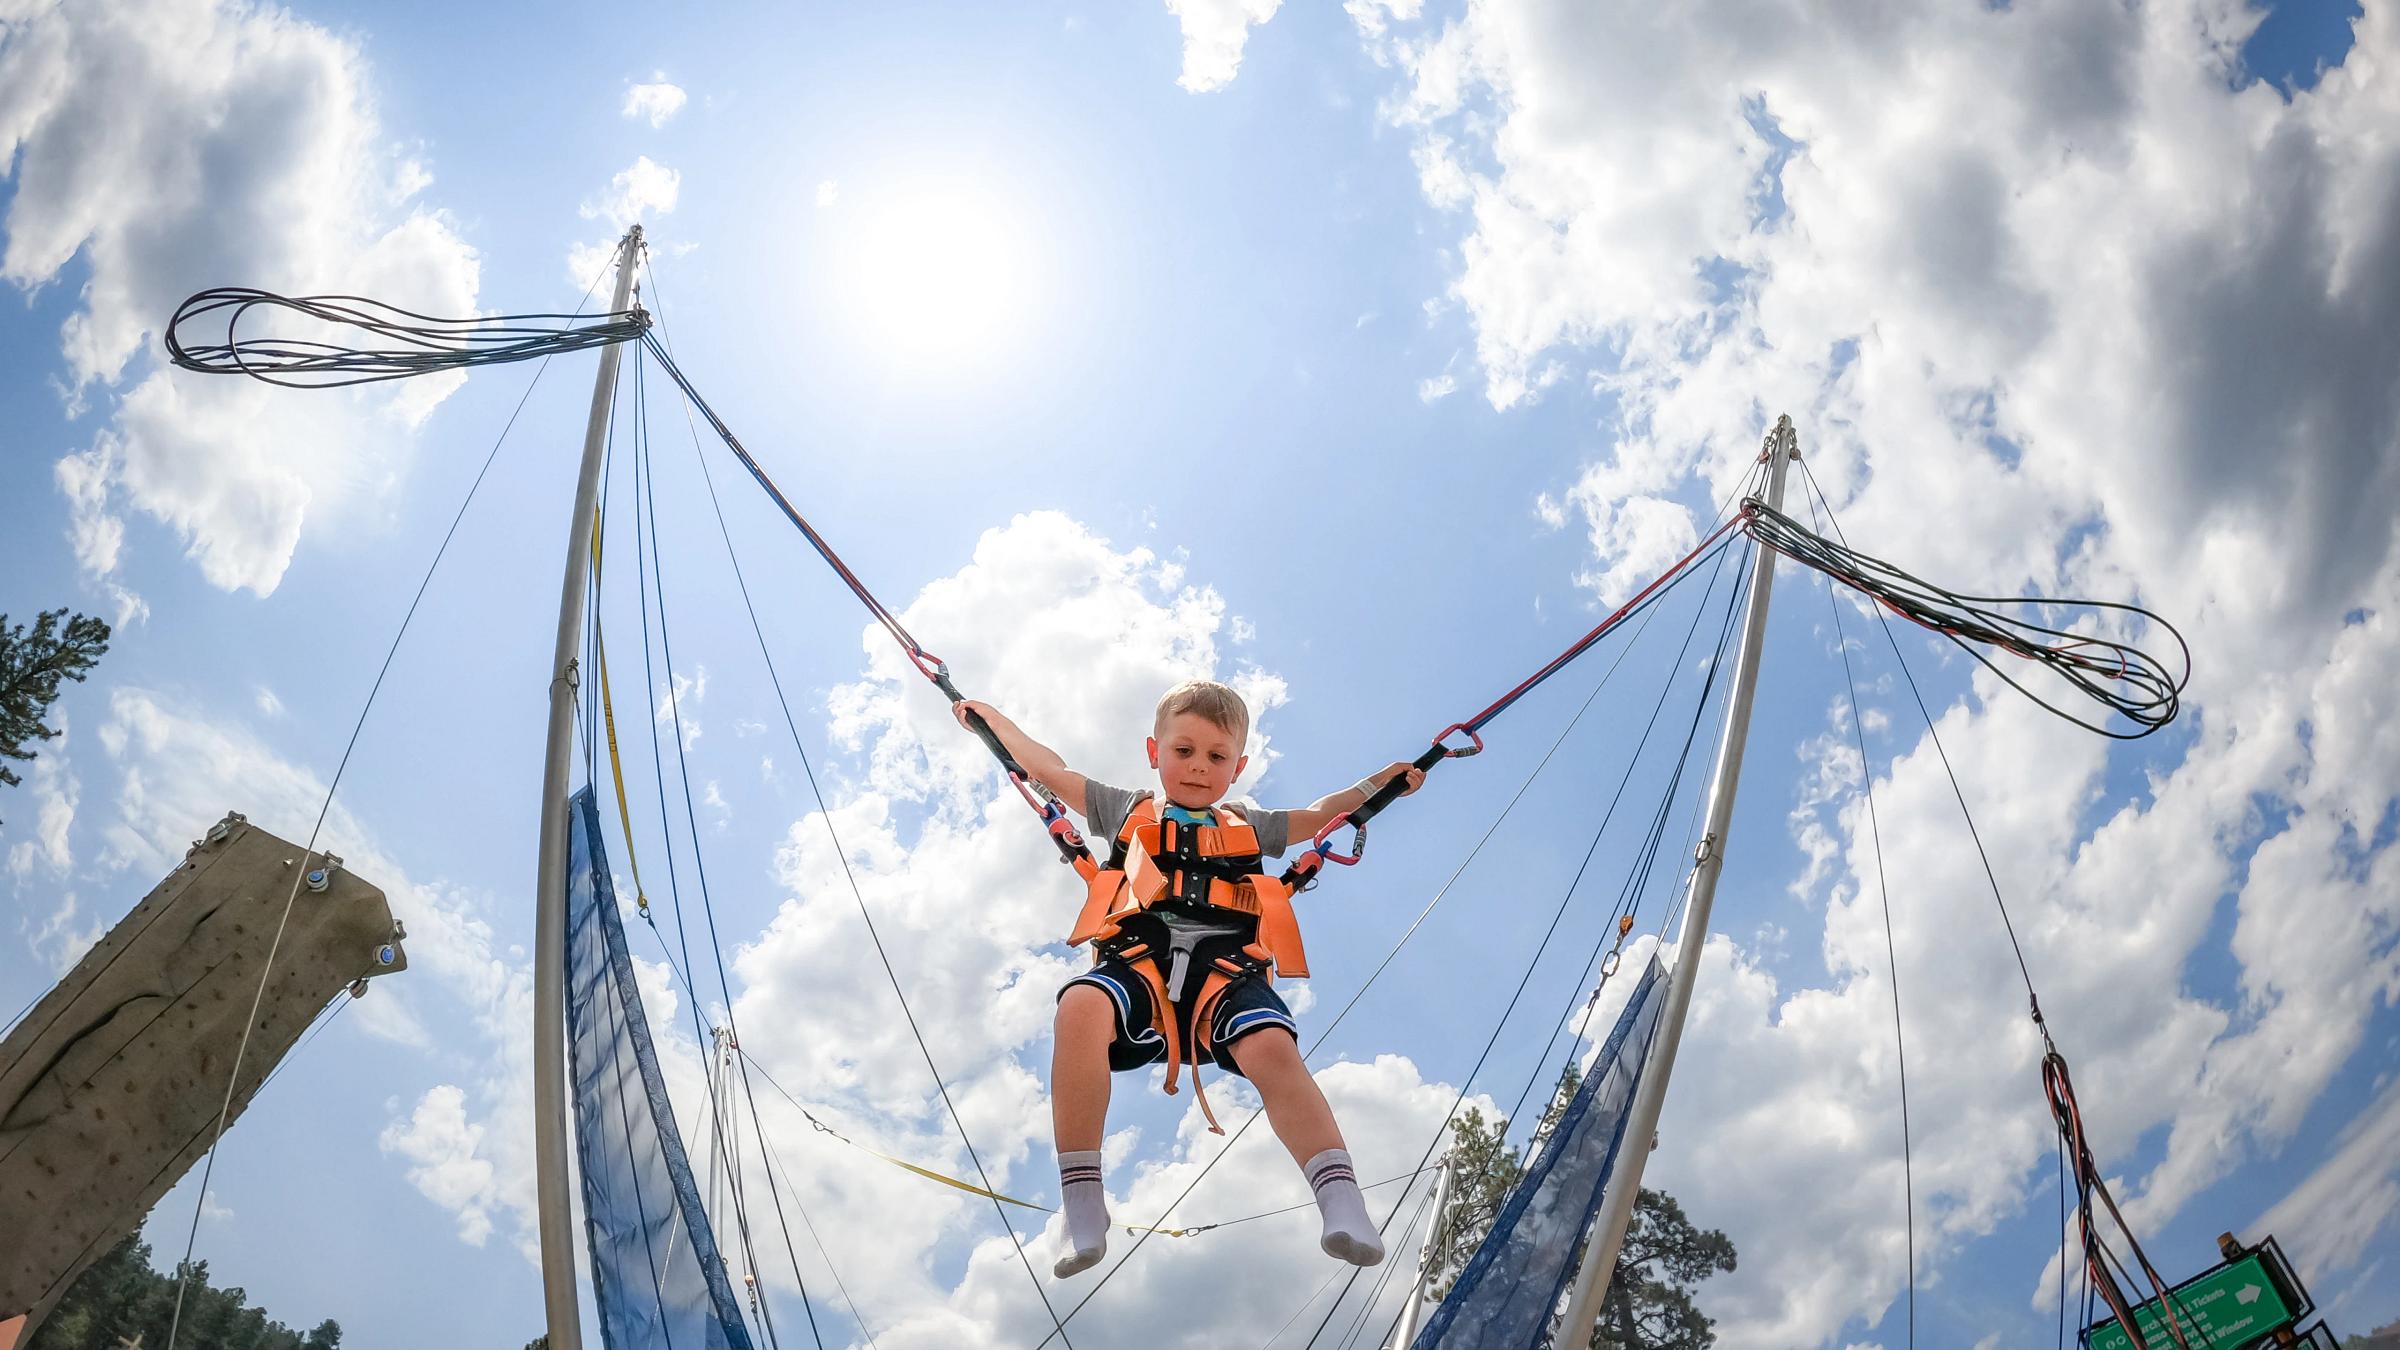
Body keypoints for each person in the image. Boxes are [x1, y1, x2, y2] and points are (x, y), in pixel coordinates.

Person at [952, 679, 1423, 1278]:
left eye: (1216, 757)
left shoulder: (1253, 825)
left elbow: (1324, 814)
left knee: (1274, 1049)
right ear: (1155, 752)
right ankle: (1082, 1200)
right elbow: (1051, 769)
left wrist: (1379, 785)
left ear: (1238, 767)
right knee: (1077, 1008)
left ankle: (1340, 1197)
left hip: (1225, 974)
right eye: (1184, 752)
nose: (1199, 768)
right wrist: (993, 722)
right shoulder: (1125, 809)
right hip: (1137, 966)